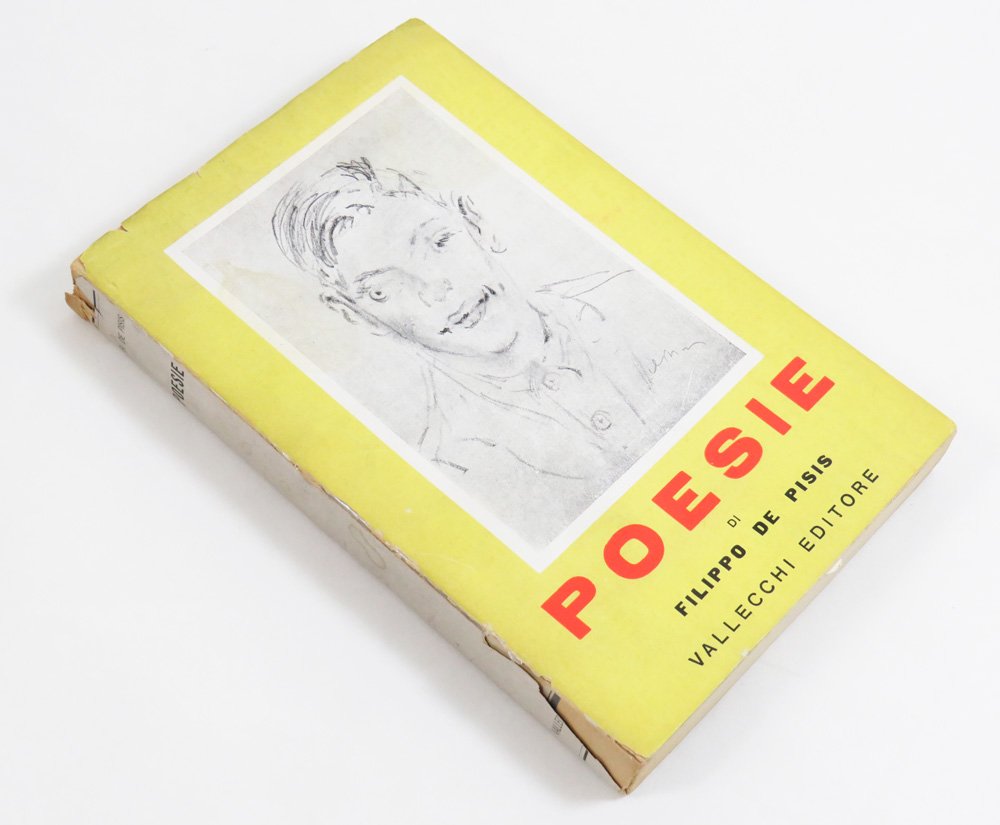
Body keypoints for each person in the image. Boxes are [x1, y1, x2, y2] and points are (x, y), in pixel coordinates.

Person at [272, 157, 743, 549]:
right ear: (357, 315)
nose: (436, 288)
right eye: (383, 289)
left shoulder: (653, 301)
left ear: (474, 222)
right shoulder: (456, 473)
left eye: (439, 242)